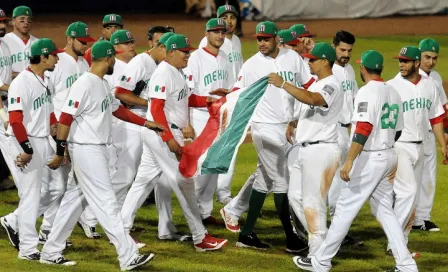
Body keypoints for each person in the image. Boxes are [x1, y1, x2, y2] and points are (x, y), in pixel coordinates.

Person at [40, 40, 163, 270]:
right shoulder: (84, 84)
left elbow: (117, 109)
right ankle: (127, 255)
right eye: (113, 57)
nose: (115, 60)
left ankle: (50, 250)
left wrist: (146, 123)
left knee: (74, 201)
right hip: (87, 149)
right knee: (107, 202)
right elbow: (65, 118)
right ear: (108, 59)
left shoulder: (103, 83)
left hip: (96, 149)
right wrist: (59, 151)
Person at [292, 50, 418, 272]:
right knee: (384, 210)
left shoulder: (367, 92)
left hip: (370, 157)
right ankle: (406, 264)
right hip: (390, 156)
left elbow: (363, 128)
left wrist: (350, 159)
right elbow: (398, 131)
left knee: (344, 210)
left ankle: (321, 261)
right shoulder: (393, 91)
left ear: (363, 69)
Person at [121, 33, 229, 252]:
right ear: (171, 52)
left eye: (188, 52)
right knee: (184, 182)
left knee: (143, 181)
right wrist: (169, 139)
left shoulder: (176, 72)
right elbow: (156, 109)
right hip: (163, 133)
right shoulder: (163, 73)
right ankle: (200, 237)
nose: (188, 56)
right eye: (184, 52)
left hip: (160, 134)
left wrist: (207, 99)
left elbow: (184, 99)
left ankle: (120, 229)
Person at [227, 21, 312, 253]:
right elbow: (237, 93)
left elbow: (309, 84)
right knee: (282, 182)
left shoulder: (293, 58)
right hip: (264, 128)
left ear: (277, 39)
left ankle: (246, 235)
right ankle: (290, 237)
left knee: (264, 181)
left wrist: (298, 118)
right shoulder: (251, 64)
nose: (262, 43)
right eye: (258, 39)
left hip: (289, 127)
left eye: (266, 39)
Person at [268, 42, 343, 257]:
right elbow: (307, 105)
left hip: (321, 151)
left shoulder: (332, 84)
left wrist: (283, 84)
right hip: (305, 150)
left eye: (313, 59)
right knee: (295, 198)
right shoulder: (316, 84)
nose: (308, 62)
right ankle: (324, 242)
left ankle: (318, 256)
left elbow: (314, 100)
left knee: (313, 204)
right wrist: (294, 121)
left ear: (325, 62)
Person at [1, 38, 64, 260]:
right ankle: (28, 249)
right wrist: (26, 149)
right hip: (23, 141)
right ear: (43, 57)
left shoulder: (43, 79)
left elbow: (47, 112)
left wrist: (55, 128)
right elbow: (15, 119)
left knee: (57, 187)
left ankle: (14, 220)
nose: (58, 58)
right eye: (54, 55)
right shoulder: (22, 82)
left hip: (41, 140)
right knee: (31, 195)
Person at [38, 21, 95, 245]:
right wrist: (53, 126)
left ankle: (50, 229)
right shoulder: (56, 62)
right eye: (82, 41)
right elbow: (45, 96)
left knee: (66, 184)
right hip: (57, 130)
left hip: (76, 131)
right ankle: (40, 227)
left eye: (87, 42)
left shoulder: (83, 63)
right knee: (58, 184)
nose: (84, 46)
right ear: (69, 39)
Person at [387, 45, 447, 257]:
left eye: (406, 61)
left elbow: (436, 117)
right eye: (400, 61)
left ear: (416, 63)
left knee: (408, 198)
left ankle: (398, 243)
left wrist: (442, 145)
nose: (401, 64)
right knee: (408, 193)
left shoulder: (429, 85)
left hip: (421, 147)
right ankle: (397, 244)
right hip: (400, 146)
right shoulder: (391, 86)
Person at [184, 18, 235, 224]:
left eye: (222, 32)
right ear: (206, 33)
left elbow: (230, 88)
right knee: (201, 167)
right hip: (200, 117)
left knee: (215, 166)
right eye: (215, 32)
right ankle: (192, 213)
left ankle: (205, 212)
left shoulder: (224, 57)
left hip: (219, 117)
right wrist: (187, 124)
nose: (220, 36)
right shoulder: (195, 58)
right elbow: (187, 93)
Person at [197, 4, 244, 205]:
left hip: (232, 101)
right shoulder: (208, 43)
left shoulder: (236, 42)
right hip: (209, 107)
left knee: (229, 149)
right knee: (208, 154)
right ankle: (204, 197)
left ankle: (222, 193)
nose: (229, 21)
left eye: (232, 17)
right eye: (225, 17)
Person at [413, 38, 448, 232]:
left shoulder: (435, 78)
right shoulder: (410, 76)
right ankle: (409, 218)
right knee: (410, 180)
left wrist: (445, 136)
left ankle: (423, 219)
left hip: (430, 134)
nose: (431, 62)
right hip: (410, 136)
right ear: (419, 55)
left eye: (434, 58)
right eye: (427, 57)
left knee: (428, 178)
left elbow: (442, 108)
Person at [2, 5, 38, 78]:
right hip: (9, 87)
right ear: (13, 22)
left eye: (29, 20)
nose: (26, 22)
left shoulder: (37, 43)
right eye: (22, 19)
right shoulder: (4, 41)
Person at [0, 8, 14, 191]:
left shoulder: (4, 45)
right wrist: (4, 115)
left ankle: (3, 178)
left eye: (3, 22)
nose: (2, 26)